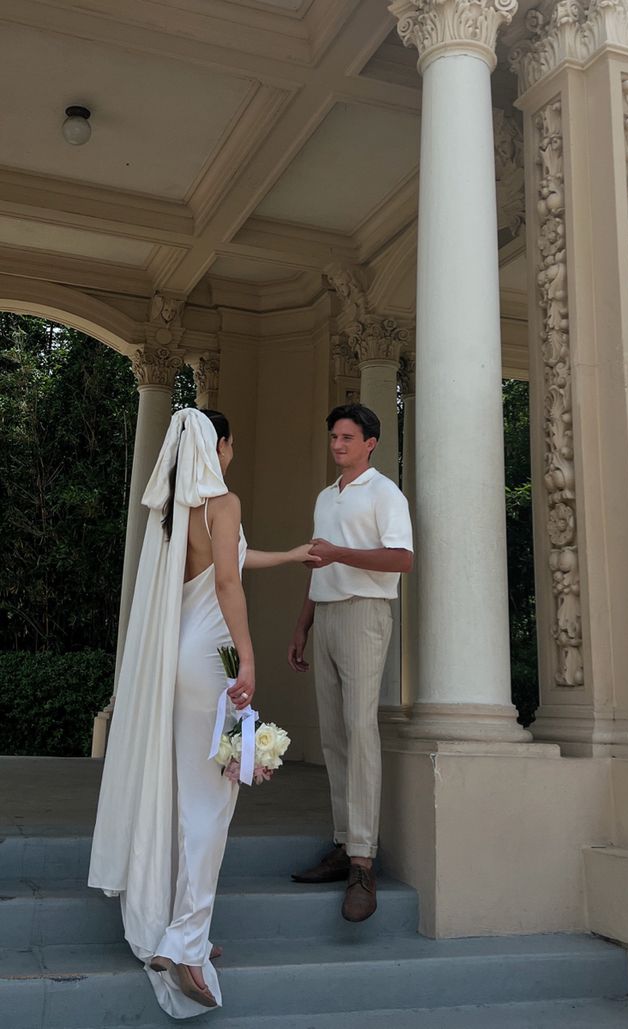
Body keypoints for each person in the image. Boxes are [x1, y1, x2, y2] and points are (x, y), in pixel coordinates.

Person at [88, 407, 315, 1018]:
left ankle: (182, 927)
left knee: (190, 796)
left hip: (179, 656)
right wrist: (248, 658)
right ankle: (186, 943)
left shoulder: (175, 509)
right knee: (215, 800)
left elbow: (231, 561)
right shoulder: (224, 499)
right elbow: (227, 586)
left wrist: (293, 555)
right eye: (231, 444)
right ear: (221, 446)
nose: (232, 453)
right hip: (214, 656)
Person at [288, 403, 413, 922]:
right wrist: (302, 624)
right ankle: (343, 843)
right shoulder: (325, 497)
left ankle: (363, 859)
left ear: (370, 443)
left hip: (366, 614)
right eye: (333, 436)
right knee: (335, 734)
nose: (337, 444)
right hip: (328, 614)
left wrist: (341, 554)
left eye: (347, 437)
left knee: (361, 728)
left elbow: (401, 558)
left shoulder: (386, 493)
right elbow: (319, 565)